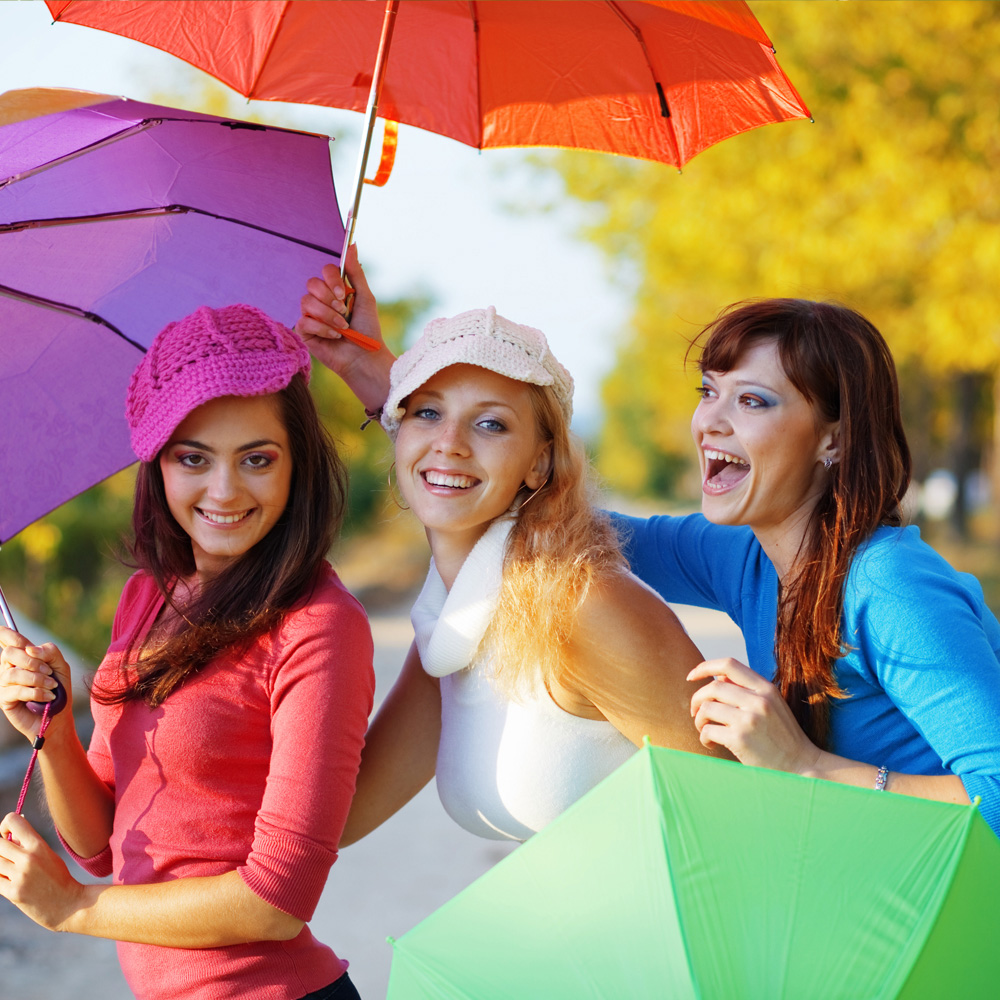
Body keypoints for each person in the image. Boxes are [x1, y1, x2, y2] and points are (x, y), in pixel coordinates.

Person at [298, 267, 1000, 840]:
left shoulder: (889, 586)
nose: (710, 421)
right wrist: (396, 389)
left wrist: (808, 767)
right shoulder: (749, 558)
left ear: (834, 441)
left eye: (753, 401)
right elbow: (525, 500)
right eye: (709, 391)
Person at [0, 304, 375, 999]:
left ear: (299, 464)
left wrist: (72, 907)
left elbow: (277, 899)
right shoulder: (147, 600)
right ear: (158, 465)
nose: (224, 491)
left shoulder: (319, 625)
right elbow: (104, 845)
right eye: (193, 459)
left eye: (257, 459)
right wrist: (51, 736)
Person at [298, 258, 725, 845]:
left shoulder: (581, 605)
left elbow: (738, 807)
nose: (449, 444)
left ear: (539, 463)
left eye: (491, 425)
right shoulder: (455, 624)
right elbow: (336, 820)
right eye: (427, 412)